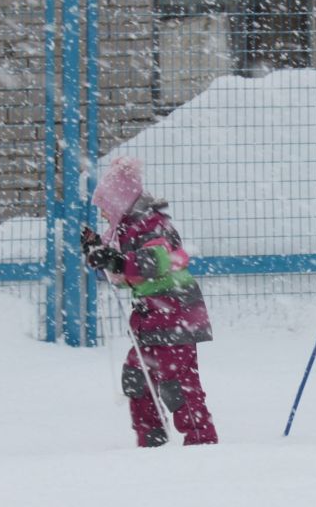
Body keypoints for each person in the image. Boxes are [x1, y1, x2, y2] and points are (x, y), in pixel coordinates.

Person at [81, 157, 219, 445]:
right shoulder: (127, 229)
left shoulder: (153, 225)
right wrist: (101, 253)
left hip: (176, 315)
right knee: (137, 377)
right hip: (152, 320)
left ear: (121, 200)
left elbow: (154, 262)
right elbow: (125, 275)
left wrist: (116, 260)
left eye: (105, 205)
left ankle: (201, 443)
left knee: (177, 384)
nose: (103, 214)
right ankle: (151, 441)